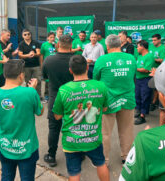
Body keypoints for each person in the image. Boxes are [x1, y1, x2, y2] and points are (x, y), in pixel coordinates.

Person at [53, 55, 109, 181]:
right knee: (100, 163)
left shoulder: (64, 90)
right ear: (87, 67)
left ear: (70, 70)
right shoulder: (101, 86)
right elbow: (105, 109)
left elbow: (57, 116)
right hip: (93, 138)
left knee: (74, 173)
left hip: (71, 141)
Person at [0, 60, 44, 181]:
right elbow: (40, 112)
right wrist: (33, 90)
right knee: (27, 178)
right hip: (27, 147)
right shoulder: (29, 92)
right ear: (21, 75)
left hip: (5, 145)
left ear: (5, 74)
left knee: (7, 176)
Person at [93, 34, 137, 165]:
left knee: (105, 133)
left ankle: (104, 160)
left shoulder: (102, 60)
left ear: (107, 45)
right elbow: (132, 75)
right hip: (127, 100)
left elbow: (96, 79)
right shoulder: (131, 58)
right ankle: (126, 156)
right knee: (127, 130)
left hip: (108, 101)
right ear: (120, 44)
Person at [42, 35, 74, 167]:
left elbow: (44, 76)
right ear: (71, 46)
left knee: (54, 128)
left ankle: (51, 155)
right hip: (73, 98)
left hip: (56, 98)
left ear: (58, 45)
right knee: (74, 126)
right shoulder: (76, 59)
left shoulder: (49, 60)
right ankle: (78, 154)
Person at [134, 40, 156, 125]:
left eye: (138, 46)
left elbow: (147, 69)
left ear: (142, 47)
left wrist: (135, 68)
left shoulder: (149, 56)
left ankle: (143, 116)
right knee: (138, 96)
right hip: (138, 79)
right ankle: (139, 110)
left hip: (146, 79)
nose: (137, 48)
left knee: (145, 97)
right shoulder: (139, 56)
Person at [18, 29, 42, 97]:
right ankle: (29, 96)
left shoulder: (35, 42)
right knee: (28, 81)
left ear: (30, 34)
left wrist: (34, 54)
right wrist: (28, 55)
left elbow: (38, 53)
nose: (27, 36)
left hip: (36, 65)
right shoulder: (21, 44)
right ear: (22, 36)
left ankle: (38, 96)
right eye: (25, 34)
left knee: (38, 81)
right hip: (26, 66)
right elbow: (20, 55)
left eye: (28, 34)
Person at [40, 32, 57, 103]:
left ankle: (54, 95)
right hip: (47, 65)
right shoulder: (44, 45)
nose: (52, 39)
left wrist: (56, 46)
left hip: (55, 65)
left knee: (54, 81)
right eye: (51, 37)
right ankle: (46, 96)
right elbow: (41, 55)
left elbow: (59, 52)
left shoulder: (56, 44)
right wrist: (41, 64)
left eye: (53, 37)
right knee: (47, 81)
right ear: (48, 38)